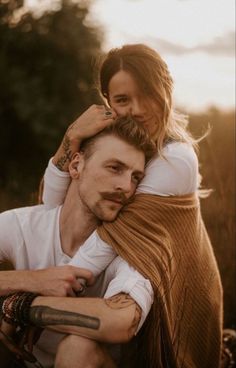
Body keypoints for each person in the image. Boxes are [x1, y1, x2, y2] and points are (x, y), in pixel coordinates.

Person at [41, 44, 223, 368]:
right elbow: (50, 209)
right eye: (123, 100)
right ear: (107, 103)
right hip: (123, 300)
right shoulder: (112, 146)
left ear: (165, 92)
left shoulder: (175, 159)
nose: (137, 110)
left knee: (76, 347)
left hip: (173, 330)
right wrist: (71, 138)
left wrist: (37, 297)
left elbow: (110, 238)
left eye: (147, 94)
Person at [0, 116, 156, 368]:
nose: (126, 186)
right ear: (76, 166)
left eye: (136, 177)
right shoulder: (20, 225)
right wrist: (32, 280)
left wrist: (21, 305)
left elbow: (121, 322)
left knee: (78, 348)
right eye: (115, 168)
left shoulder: (130, 248)